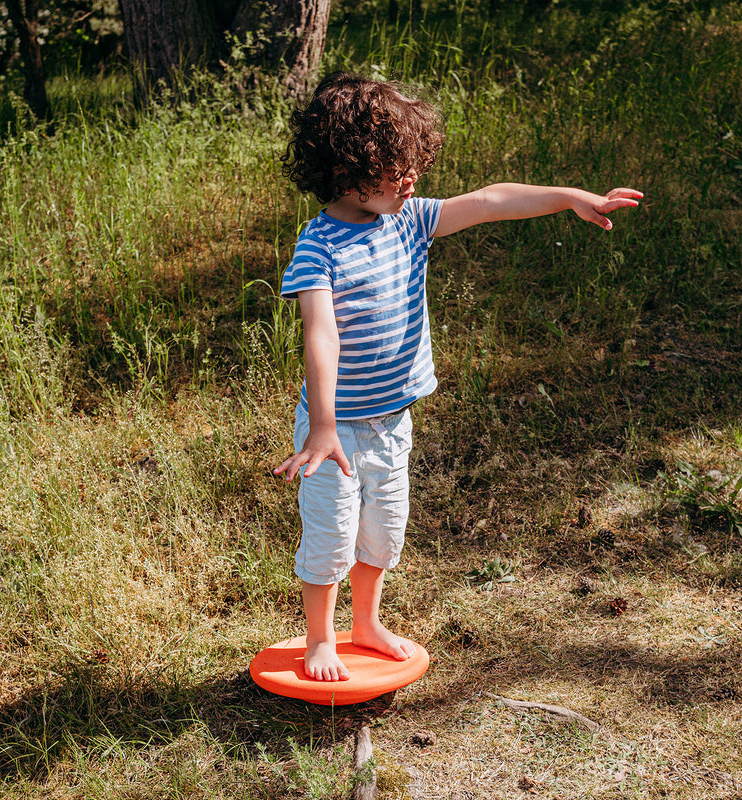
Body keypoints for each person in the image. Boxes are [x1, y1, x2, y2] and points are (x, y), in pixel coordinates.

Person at [274, 72, 642, 681]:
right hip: (333, 436)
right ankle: (320, 639)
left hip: (392, 421)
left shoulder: (409, 219)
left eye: (412, 165)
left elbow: (491, 200)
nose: (410, 179)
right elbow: (320, 334)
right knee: (330, 538)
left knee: (383, 535)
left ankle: (364, 623)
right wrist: (321, 427)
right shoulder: (319, 248)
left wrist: (570, 195)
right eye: (395, 169)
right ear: (346, 170)